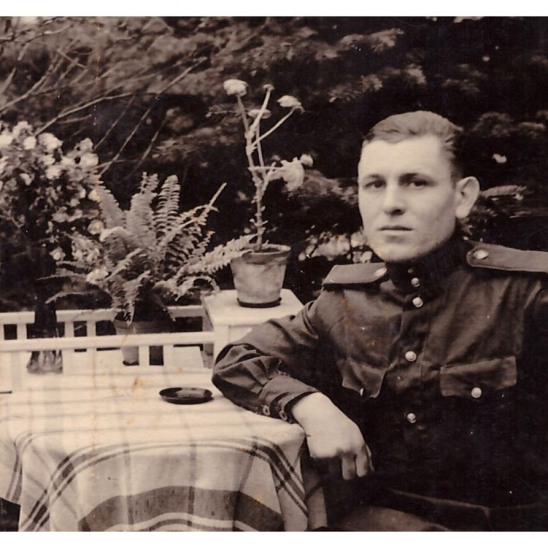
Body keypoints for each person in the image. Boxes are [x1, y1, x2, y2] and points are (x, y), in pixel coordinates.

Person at [212, 111, 548, 531]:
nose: (390, 204)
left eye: (416, 182)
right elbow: (238, 360)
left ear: (463, 197)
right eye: (374, 184)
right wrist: (310, 406)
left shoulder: (527, 296)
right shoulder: (346, 302)